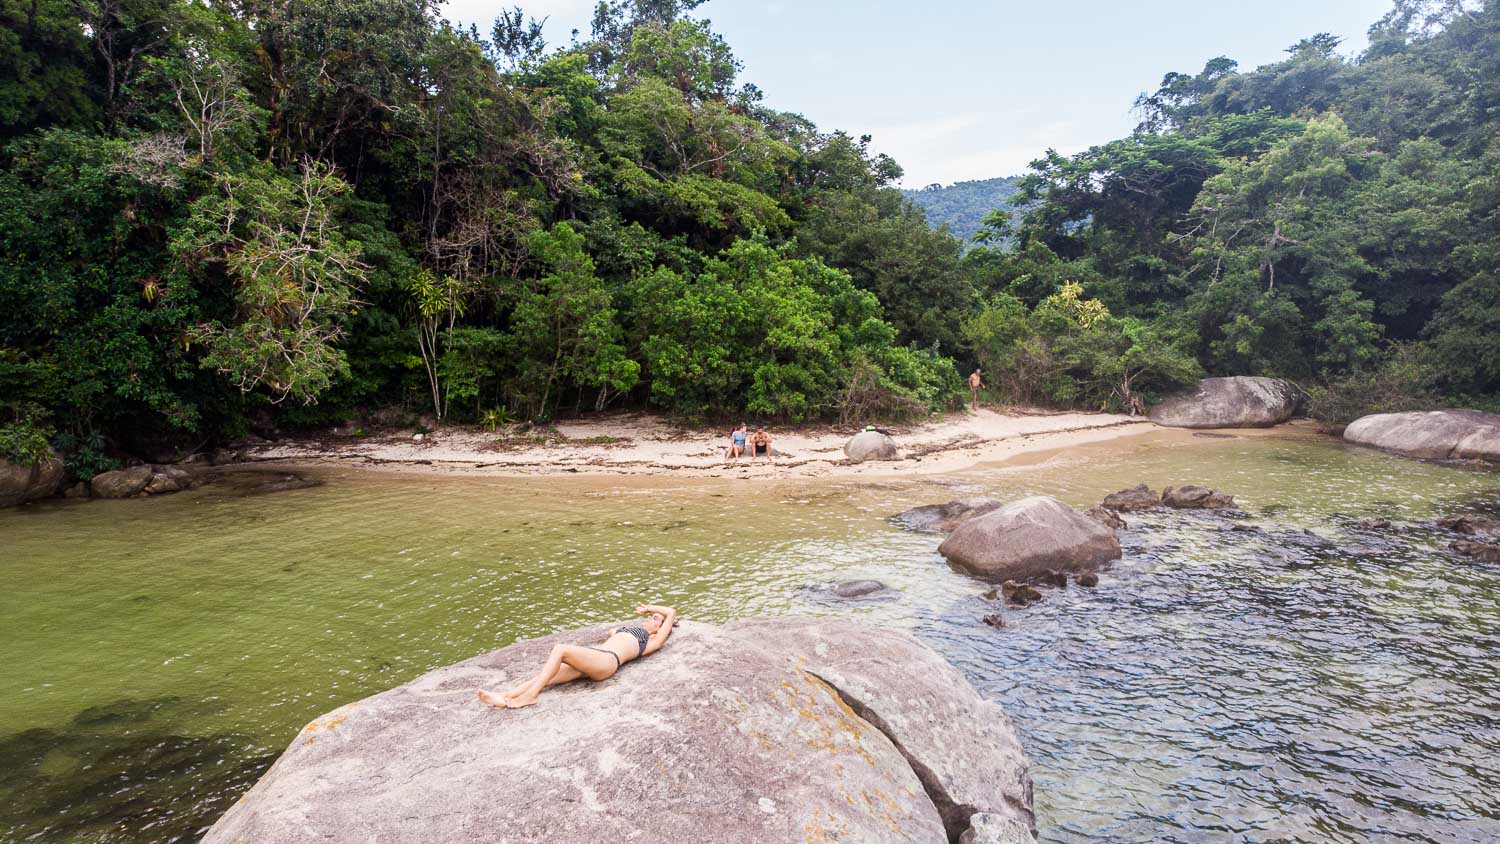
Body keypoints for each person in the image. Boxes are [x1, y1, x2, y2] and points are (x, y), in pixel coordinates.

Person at [477, 604, 677, 709]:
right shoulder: (629, 631)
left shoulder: (651, 641)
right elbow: (612, 632)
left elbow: (671, 612)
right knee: (546, 675)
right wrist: (620, 632)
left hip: (608, 661)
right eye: (651, 616)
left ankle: (530, 697)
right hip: (596, 659)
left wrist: (650, 607)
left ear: (660, 629)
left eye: (655, 619)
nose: (650, 618)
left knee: (561, 649)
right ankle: (506, 697)